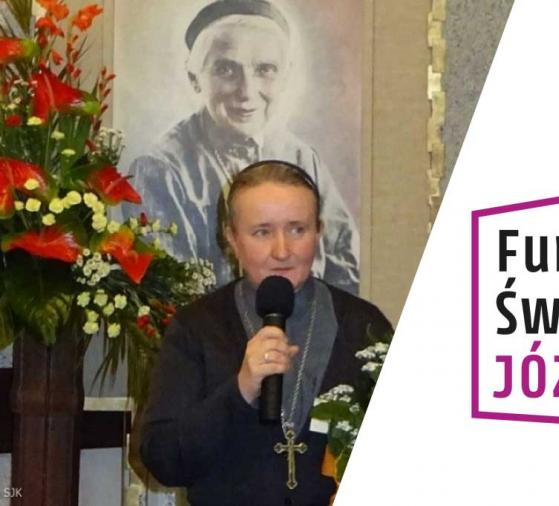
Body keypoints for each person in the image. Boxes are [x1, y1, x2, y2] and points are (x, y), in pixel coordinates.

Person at [139, 160, 391, 505]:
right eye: (262, 232)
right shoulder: (197, 327)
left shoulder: (364, 324)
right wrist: (240, 389)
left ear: (318, 231)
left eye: (297, 229)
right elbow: (164, 459)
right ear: (232, 238)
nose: (282, 250)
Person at [129, 0, 360, 293]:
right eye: (226, 69)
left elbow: (347, 272)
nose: (247, 92)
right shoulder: (159, 171)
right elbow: (170, 298)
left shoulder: (301, 158)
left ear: (285, 77)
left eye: (265, 69)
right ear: (195, 79)